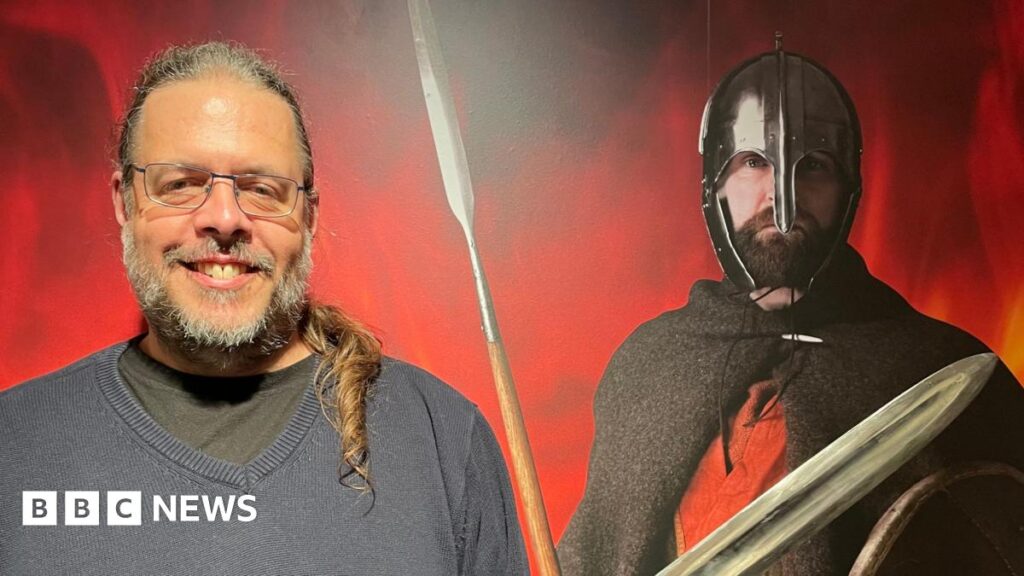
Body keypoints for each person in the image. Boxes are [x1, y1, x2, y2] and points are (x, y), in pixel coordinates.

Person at [0, 41, 526, 575]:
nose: (225, 219)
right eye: (181, 184)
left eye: (262, 189)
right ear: (125, 202)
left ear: (310, 216)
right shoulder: (14, 444)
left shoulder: (443, 442)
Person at [558, 45, 1024, 575]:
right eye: (754, 163)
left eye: (815, 167)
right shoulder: (652, 363)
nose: (783, 198)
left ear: (847, 190)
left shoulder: (936, 373)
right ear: (717, 185)